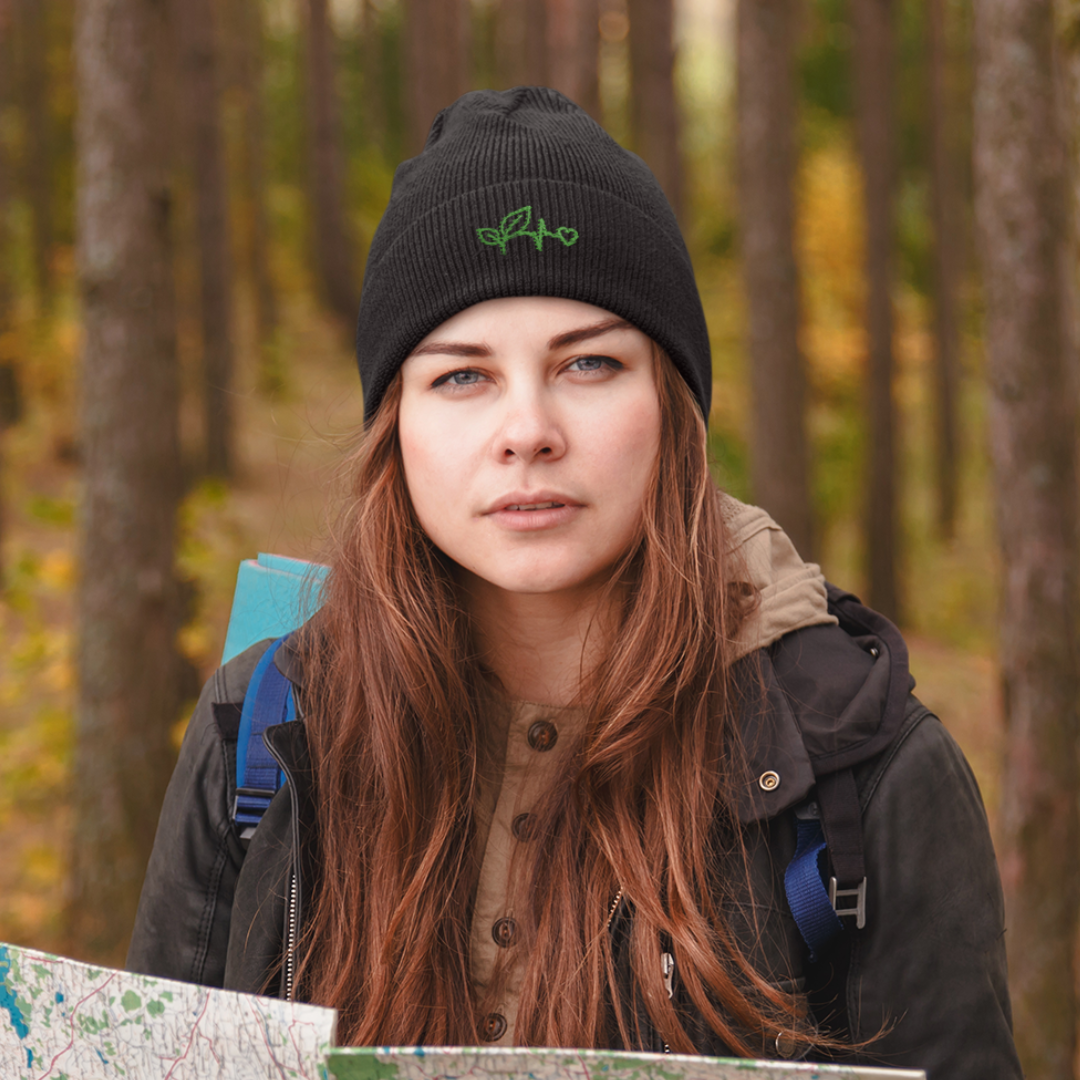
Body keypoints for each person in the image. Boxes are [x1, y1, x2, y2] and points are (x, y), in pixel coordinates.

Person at [127, 87, 1020, 1078]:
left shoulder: (864, 766)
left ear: (672, 406)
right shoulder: (261, 728)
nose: (528, 430)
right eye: (461, 376)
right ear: (398, 428)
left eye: (589, 364)